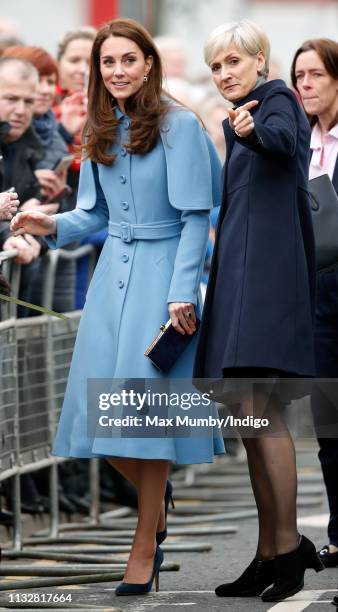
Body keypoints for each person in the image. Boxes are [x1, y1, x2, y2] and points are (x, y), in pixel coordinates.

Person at [11, 18, 225, 596]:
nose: (117, 71)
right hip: (111, 280)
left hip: (162, 280)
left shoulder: (179, 125)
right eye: (109, 62)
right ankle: (155, 506)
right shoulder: (104, 126)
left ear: (149, 63)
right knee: (100, 414)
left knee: (142, 414)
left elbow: (194, 217)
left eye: (128, 59)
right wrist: (48, 222)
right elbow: (96, 216)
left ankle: (144, 540)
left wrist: (183, 291)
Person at [193, 20, 324, 602]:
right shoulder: (241, 114)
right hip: (242, 287)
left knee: (263, 417)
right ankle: (270, 551)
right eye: (216, 66)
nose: (223, 74)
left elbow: (282, 143)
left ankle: (290, 545)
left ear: (259, 61)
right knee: (250, 422)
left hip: (268, 290)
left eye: (232, 63)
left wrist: (249, 130)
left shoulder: (276, 103)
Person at [291, 38, 338, 569]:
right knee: (330, 427)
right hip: (318, 298)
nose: (305, 83)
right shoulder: (300, 143)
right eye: (299, 75)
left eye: (316, 75)